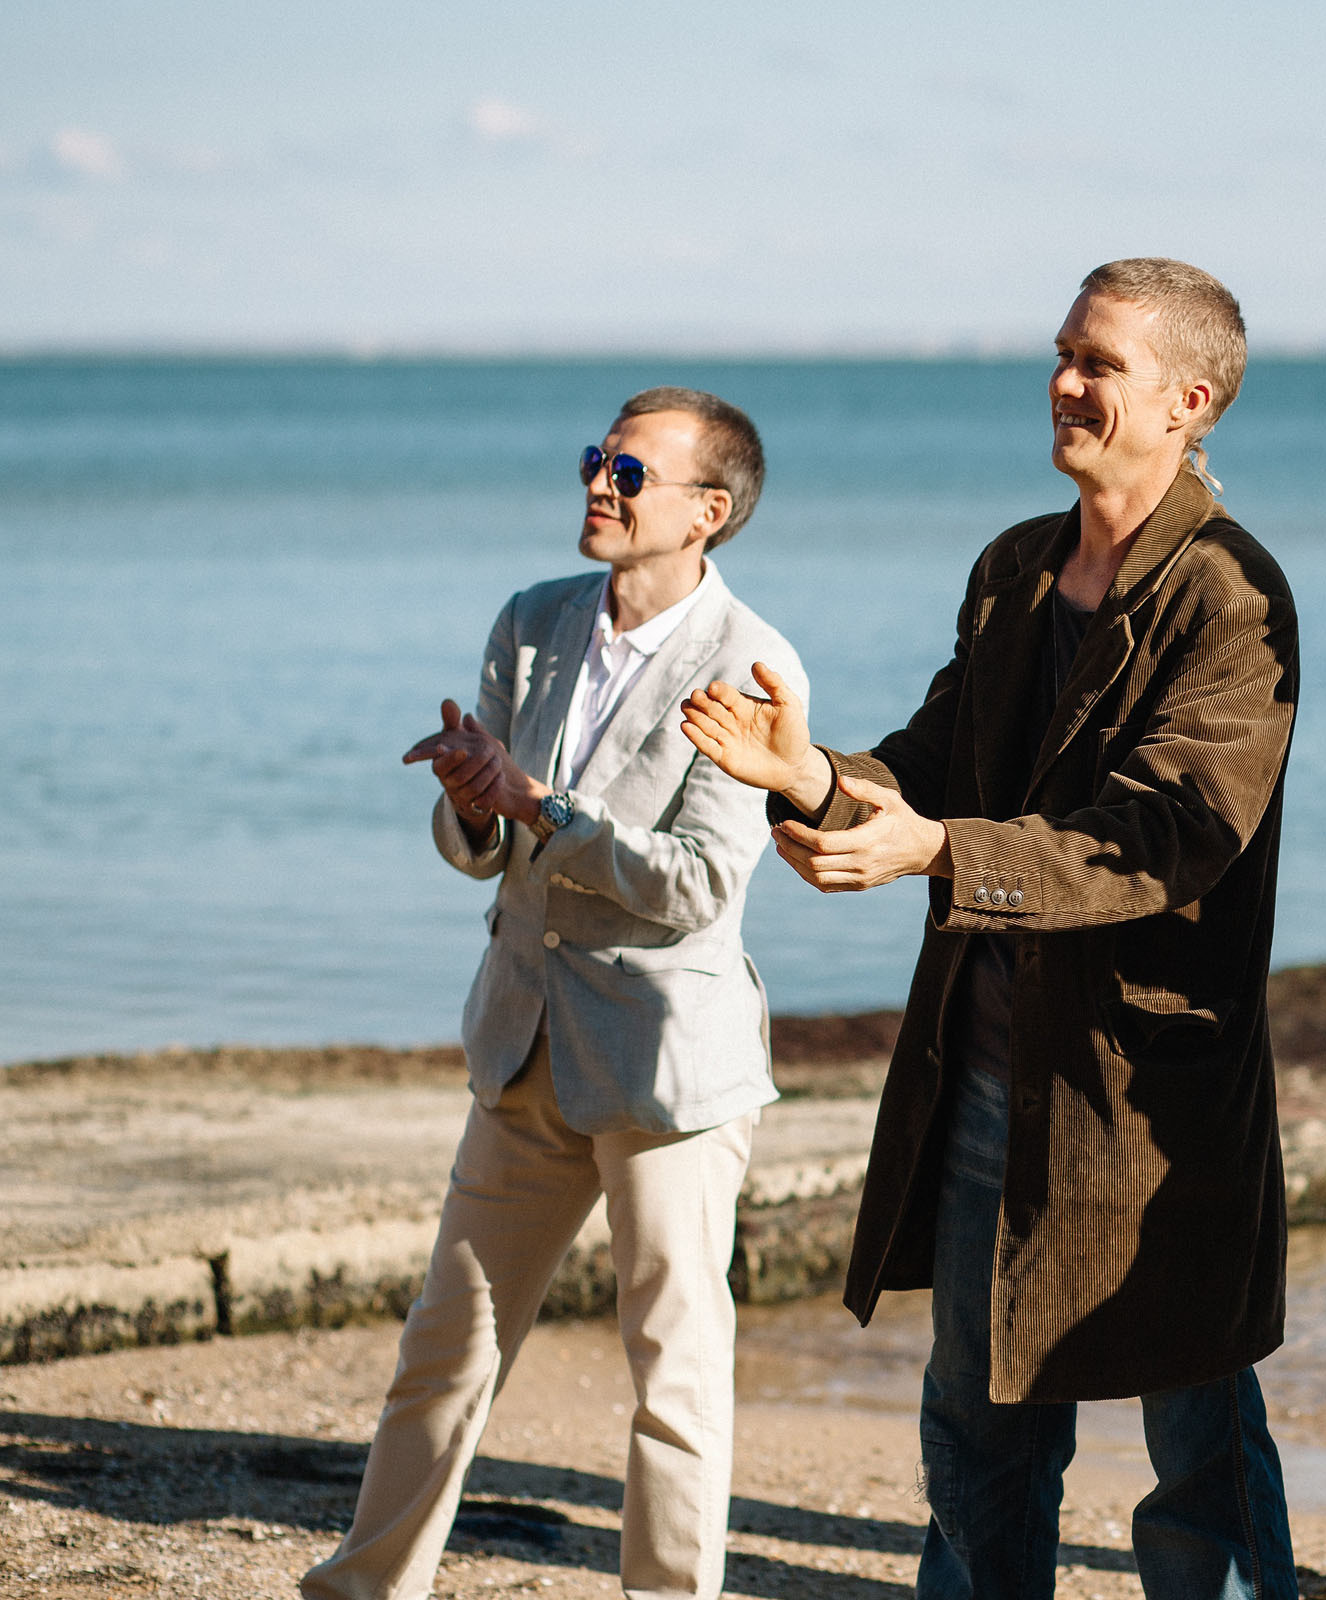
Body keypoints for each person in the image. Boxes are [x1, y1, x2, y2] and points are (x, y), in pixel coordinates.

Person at [682, 259, 1300, 1600]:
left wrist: (938, 852)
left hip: (1151, 1104)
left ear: (1191, 402)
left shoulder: (1230, 596)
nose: (1065, 382)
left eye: (1103, 365)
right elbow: (935, 761)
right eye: (1065, 353)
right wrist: (807, 776)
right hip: (981, 1080)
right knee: (976, 1431)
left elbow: (1168, 835)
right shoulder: (1015, 569)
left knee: (1198, 1451)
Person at [302, 389, 802, 1600]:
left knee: (675, 1377)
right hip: (522, 1038)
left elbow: (696, 887)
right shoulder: (530, 622)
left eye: (631, 473)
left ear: (708, 513)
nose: (600, 484)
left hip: (666, 1067)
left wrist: (542, 810)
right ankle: (364, 1588)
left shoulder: (753, 665)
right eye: (597, 460)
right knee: (445, 1348)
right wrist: (478, 800)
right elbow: (480, 848)